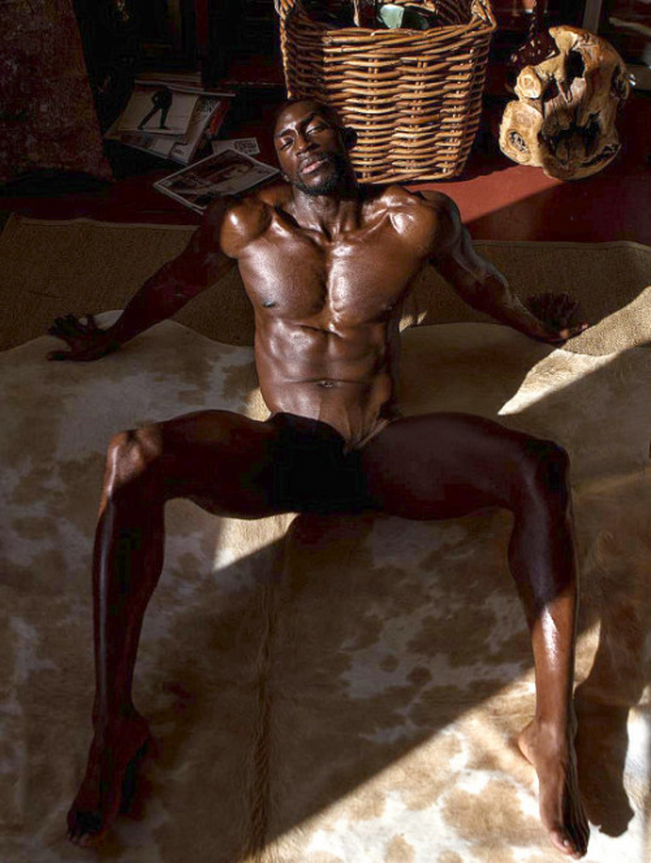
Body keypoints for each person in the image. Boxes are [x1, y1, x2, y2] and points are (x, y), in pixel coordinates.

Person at [49, 98, 590, 857]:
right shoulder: (245, 223)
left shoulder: (416, 220)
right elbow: (175, 283)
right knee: (134, 452)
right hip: (282, 453)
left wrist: (537, 324)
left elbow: (478, 282)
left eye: (315, 128)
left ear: (348, 135)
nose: (302, 142)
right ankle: (114, 723)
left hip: (382, 450)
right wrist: (108, 338)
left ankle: (551, 733)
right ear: (274, 156)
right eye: (285, 137)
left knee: (539, 465)